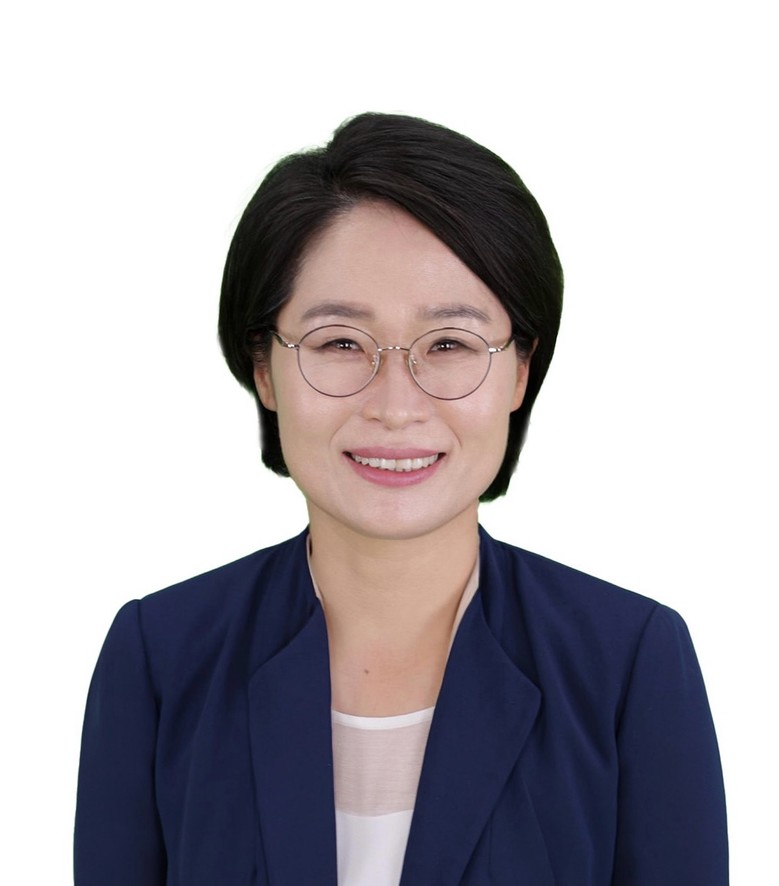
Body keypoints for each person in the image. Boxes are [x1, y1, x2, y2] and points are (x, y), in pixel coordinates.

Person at [74, 113, 728, 885]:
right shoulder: (160, 657)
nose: (394, 404)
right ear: (263, 369)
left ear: (520, 370)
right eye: (339, 343)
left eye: (448, 345)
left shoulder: (628, 665)